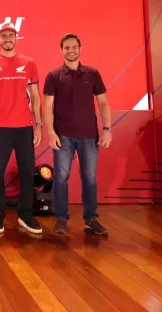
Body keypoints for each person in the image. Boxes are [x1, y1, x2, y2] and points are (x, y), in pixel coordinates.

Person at [43, 33, 111, 236]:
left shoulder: (92, 73)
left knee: (89, 178)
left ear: (80, 48)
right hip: (62, 135)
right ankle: (61, 219)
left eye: (74, 47)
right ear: (61, 50)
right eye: (67, 47)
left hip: (88, 135)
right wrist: (50, 132)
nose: (71, 50)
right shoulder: (53, 75)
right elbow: (47, 106)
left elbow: (103, 102)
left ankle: (91, 219)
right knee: (61, 178)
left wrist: (107, 128)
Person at [0, 22, 43, 235]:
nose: (7, 39)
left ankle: (25, 215)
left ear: (16, 38)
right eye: (4, 35)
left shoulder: (29, 63)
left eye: (11, 35)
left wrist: (38, 125)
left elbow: (35, 95)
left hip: (24, 127)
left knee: (27, 172)